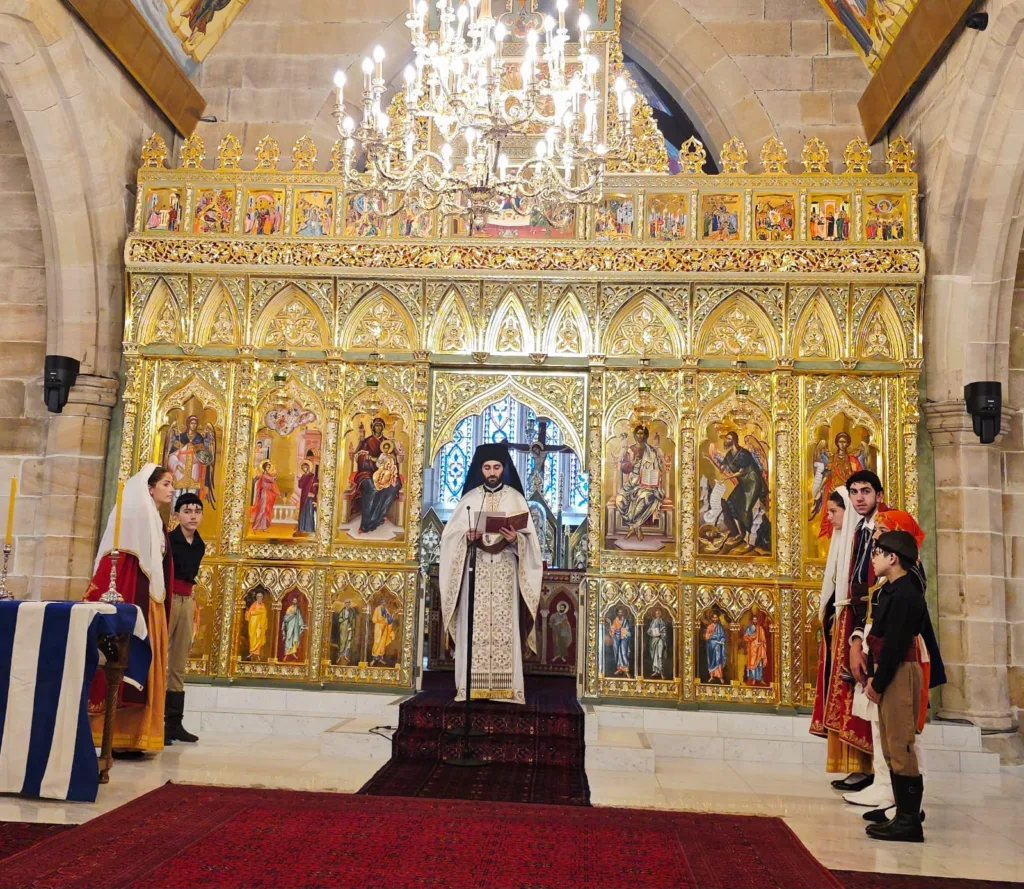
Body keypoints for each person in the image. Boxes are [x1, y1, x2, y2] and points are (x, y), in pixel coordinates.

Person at [438, 442, 543, 704]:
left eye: (496, 467)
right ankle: (470, 687)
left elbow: (531, 542)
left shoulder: (515, 499)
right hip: (476, 574)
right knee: (474, 628)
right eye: (487, 467)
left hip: (506, 574)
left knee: (505, 629)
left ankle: (507, 689)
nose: (492, 472)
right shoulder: (469, 500)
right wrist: (466, 537)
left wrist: (516, 539)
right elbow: (448, 538)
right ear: (480, 469)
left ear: (504, 468)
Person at [84, 464, 173, 755]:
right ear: (150, 487)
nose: (171, 489)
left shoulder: (156, 519)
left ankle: (136, 736)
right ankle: (112, 735)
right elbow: (122, 566)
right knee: (125, 662)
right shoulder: (134, 517)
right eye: (166, 484)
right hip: (137, 600)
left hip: (152, 602)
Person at [859, 530, 928, 842]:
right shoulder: (890, 590)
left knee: (901, 744)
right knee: (890, 745)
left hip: (899, 671)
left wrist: (879, 681)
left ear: (893, 558)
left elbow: (896, 644)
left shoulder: (905, 594)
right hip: (889, 670)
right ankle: (901, 813)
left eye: (878, 553)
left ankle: (909, 820)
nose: (873, 559)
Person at [830, 469, 888, 793]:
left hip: (881, 623)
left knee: (883, 709)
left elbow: (879, 585)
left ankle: (887, 786)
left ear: (879, 495)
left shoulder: (886, 527)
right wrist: (855, 635)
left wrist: (861, 635)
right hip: (862, 620)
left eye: (866, 491)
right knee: (869, 700)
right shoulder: (860, 531)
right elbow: (856, 584)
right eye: (854, 492)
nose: (859, 498)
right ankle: (878, 780)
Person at [809, 488, 874, 779]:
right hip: (841, 623)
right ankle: (849, 765)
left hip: (854, 625)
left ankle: (864, 767)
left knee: (851, 693)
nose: (829, 518)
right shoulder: (841, 542)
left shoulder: (862, 546)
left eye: (834, 512)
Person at [165, 493, 206, 745]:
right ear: (177, 514)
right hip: (169, 598)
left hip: (187, 599)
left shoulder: (199, 544)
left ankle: (174, 724)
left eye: (197, 511)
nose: (193, 516)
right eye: (187, 511)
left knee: (179, 660)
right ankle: (155, 722)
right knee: (160, 656)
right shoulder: (169, 541)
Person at [704, 609, 727, 683]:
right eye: (713, 617)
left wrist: (722, 640)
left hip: (718, 647)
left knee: (718, 660)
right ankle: (711, 676)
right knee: (712, 662)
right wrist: (713, 635)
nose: (715, 619)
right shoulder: (710, 626)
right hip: (711, 647)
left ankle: (720, 677)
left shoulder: (720, 627)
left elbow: (723, 636)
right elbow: (706, 636)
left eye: (716, 617)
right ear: (711, 618)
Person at [370, 600, 396, 665]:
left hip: (385, 627)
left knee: (382, 643)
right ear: (381, 603)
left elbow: (389, 617)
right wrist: (383, 620)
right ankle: (374, 659)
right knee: (377, 641)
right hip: (378, 627)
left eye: (385, 603)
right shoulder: (377, 609)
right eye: (383, 603)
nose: (384, 604)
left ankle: (380, 659)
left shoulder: (385, 609)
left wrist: (390, 618)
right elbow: (374, 619)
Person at [245, 591, 268, 660]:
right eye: (258, 596)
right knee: (252, 637)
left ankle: (257, 653)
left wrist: (262, 624)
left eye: (260, 596)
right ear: (256, 597)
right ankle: (252, 652)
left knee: (259, 637)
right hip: (252, 624)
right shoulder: (254, 605)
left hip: (259, 625)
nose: (259, 598)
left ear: (262, 597)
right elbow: (250, 613)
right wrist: (251, 614)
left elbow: (264, 616)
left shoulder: (263, 606)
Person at [647, 608, 668, 679]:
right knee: (655, 656)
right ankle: (656, 671)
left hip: (660, 639)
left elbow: (664, 632)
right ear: (655, 615)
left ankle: (661, 672)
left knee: (660, 656)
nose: (658, 614)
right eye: (656, 613)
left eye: (659, 613)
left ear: (661, 614)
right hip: (654, 640)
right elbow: (649, 631)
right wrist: (652, 632)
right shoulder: (653, 622)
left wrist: (661, 633)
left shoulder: (662, 622)